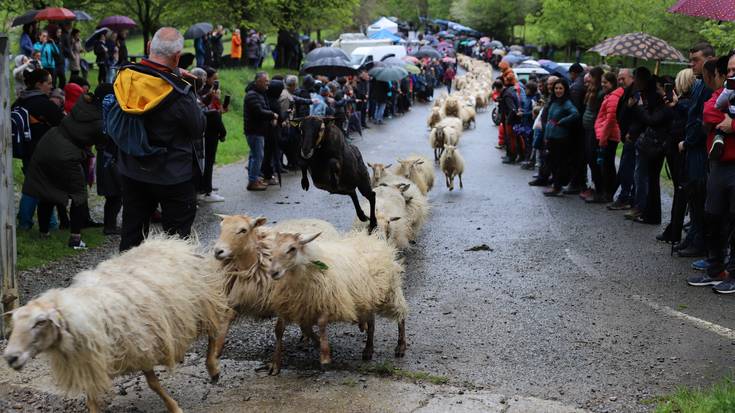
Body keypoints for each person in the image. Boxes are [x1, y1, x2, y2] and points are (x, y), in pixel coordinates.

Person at [112, 27, 206, 252]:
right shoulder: (179, 93)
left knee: (132, 235)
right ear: (176, 57)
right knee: (176, 242)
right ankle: (170, 283)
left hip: (132, 169)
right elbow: (197, 128)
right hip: (172, 175)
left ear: (148, 48)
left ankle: (126, 279)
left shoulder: (125, 78)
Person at [22, 86, 106, 249]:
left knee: (46, 190)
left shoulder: (83, 103)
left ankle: (44, 234)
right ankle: (75, 239)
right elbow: (103, 142)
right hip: (66, 152)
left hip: (48, 142)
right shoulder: (99, 120)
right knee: (78, 195)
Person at [13, 69, 65, 230]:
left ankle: (34, 221)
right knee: (41, 188)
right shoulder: (43, 104)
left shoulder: (20, 101)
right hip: (42, 151)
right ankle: (33, 223)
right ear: (38, 84)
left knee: (34, 186)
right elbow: (63, 124)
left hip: (26, 149)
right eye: (48, 83)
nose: (51, 86)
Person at [629, 73, 674, 225]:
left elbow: (652, 120)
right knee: (652, 180)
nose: (657, 91)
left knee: (652, 180)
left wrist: (641, 107)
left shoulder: (667, 106)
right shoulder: (661, 104)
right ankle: (650, 213)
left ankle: (652, 215)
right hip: (655, 144)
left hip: (657, 146)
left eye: (659, 88)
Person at [542, 78, 579, 197]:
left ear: (565, 89)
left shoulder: (566, 102)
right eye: (556, 88)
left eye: (560, 88)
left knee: (558, 163)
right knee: (552, 162)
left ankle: (557, 187)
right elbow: (548, 119)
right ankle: (555, 185)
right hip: (551, 137)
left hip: (560, 138)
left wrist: (562, 121)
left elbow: (575, 114)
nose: (558, 90)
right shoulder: (554, 101)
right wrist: (546, 136)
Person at [593, 72, 624, 203]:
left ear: (612, 83)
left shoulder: (613, 98)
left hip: (609, 136)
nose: (603, 84)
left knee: (607, 166)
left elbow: (611, 119)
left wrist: (603, 138)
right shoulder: (611, 96)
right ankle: (607, 192)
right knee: (606, 164)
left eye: (606, 82)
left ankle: (608, 193)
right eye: (602, 82)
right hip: (607, 134)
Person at [244, 71, 277, 191]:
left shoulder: (259, 94)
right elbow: (258, 111)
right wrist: (272, 115)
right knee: (257, 156)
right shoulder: (252, 95)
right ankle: (253, 181)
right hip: (255, 131)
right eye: (265, 81)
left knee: (254, 156)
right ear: (258, 82)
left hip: (258, 130)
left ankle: (255, 178)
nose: (268, 83)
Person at [581, 67, 605, 202]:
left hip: (594, 129)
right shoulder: (591, 90)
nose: (587, 78)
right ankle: (595, 186)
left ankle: (599, 189)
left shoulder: (599, 93)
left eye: (590, 76)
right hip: (588, 128)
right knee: (590, 158)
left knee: (593, 159)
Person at [565, 62, 588, 194]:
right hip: (583, 127)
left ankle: (575, 183)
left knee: (575, 156)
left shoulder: (575, 87)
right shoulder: (584, 84)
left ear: (573, 72)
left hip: (577, 128)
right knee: (581, 155)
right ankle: (581, 181)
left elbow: (574, 110)